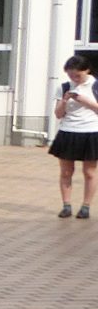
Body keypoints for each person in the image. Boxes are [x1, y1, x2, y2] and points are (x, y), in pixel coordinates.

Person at [52, 55, 98, 219]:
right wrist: (64, 101)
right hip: (68, 132)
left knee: (89, 172)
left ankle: (85, 207)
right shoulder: (64, 87)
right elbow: (58, 114)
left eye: (78, 75)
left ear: (87, 70)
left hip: (91, 132)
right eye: (71, 75)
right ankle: (66, 206)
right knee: (66, 172)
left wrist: (84, 100)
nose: (74, 79)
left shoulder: (96, 86)